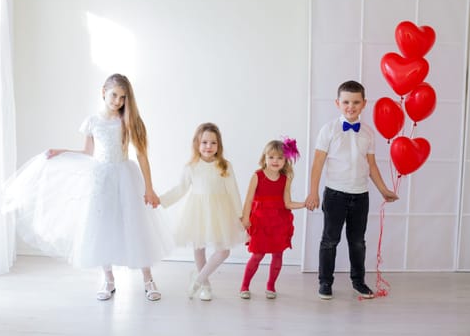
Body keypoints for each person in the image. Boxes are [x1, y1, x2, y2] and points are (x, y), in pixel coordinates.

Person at [3, 74, 173, 301]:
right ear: (103, 91)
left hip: (125, 176)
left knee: (134, 224)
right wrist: (61, 152)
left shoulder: (128, 121)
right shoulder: (92, 122)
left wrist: (149, 188)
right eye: (114, 95)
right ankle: (108, 279)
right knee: (101, 224)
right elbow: (88, 154)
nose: (118, 101)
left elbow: (142, 156)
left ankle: (147, 278)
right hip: (101, 178)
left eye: (123, 98)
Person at [305, 80, 399, 300]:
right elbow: (318, 163)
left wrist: (384, 189)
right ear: (338, 103)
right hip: (335, 193)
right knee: (330, 240)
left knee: (358, 241)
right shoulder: (328, 130)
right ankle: (325, 282)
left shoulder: (367, 132)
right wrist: (313, 192)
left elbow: (372, 165)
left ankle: (359, 282)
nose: (351, 106)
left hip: (360, 195)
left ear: (364, 104)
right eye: (346, 102)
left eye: (356, 102)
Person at [157, 122, 246, 301]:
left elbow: (233, 191)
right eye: (204, 142)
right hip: (197, 211)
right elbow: (180, 189)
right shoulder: (191, 166)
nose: (208, 146)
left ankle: (197, 280)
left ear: (218, 145)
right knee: (199, 246)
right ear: (197, 143)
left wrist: (241, 215)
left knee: (223, 251)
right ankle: (205, 286)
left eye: (213, 143)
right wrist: (160, 200)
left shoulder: (224, 166)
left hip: (220, 211)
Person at [239, 138, 305, 299]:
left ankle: (271, 285)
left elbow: (287, 203)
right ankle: (245, 285)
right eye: (271, 157)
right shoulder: (258, 176)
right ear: (265, 158)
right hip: (261, 221)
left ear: (285, 160)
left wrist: (304, 204)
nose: (275, 161)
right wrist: (245, 218)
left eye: (280, 158)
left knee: (278, 254)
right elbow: (248, 199)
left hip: (279, 222)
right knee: (257, 254)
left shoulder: (286, 179)